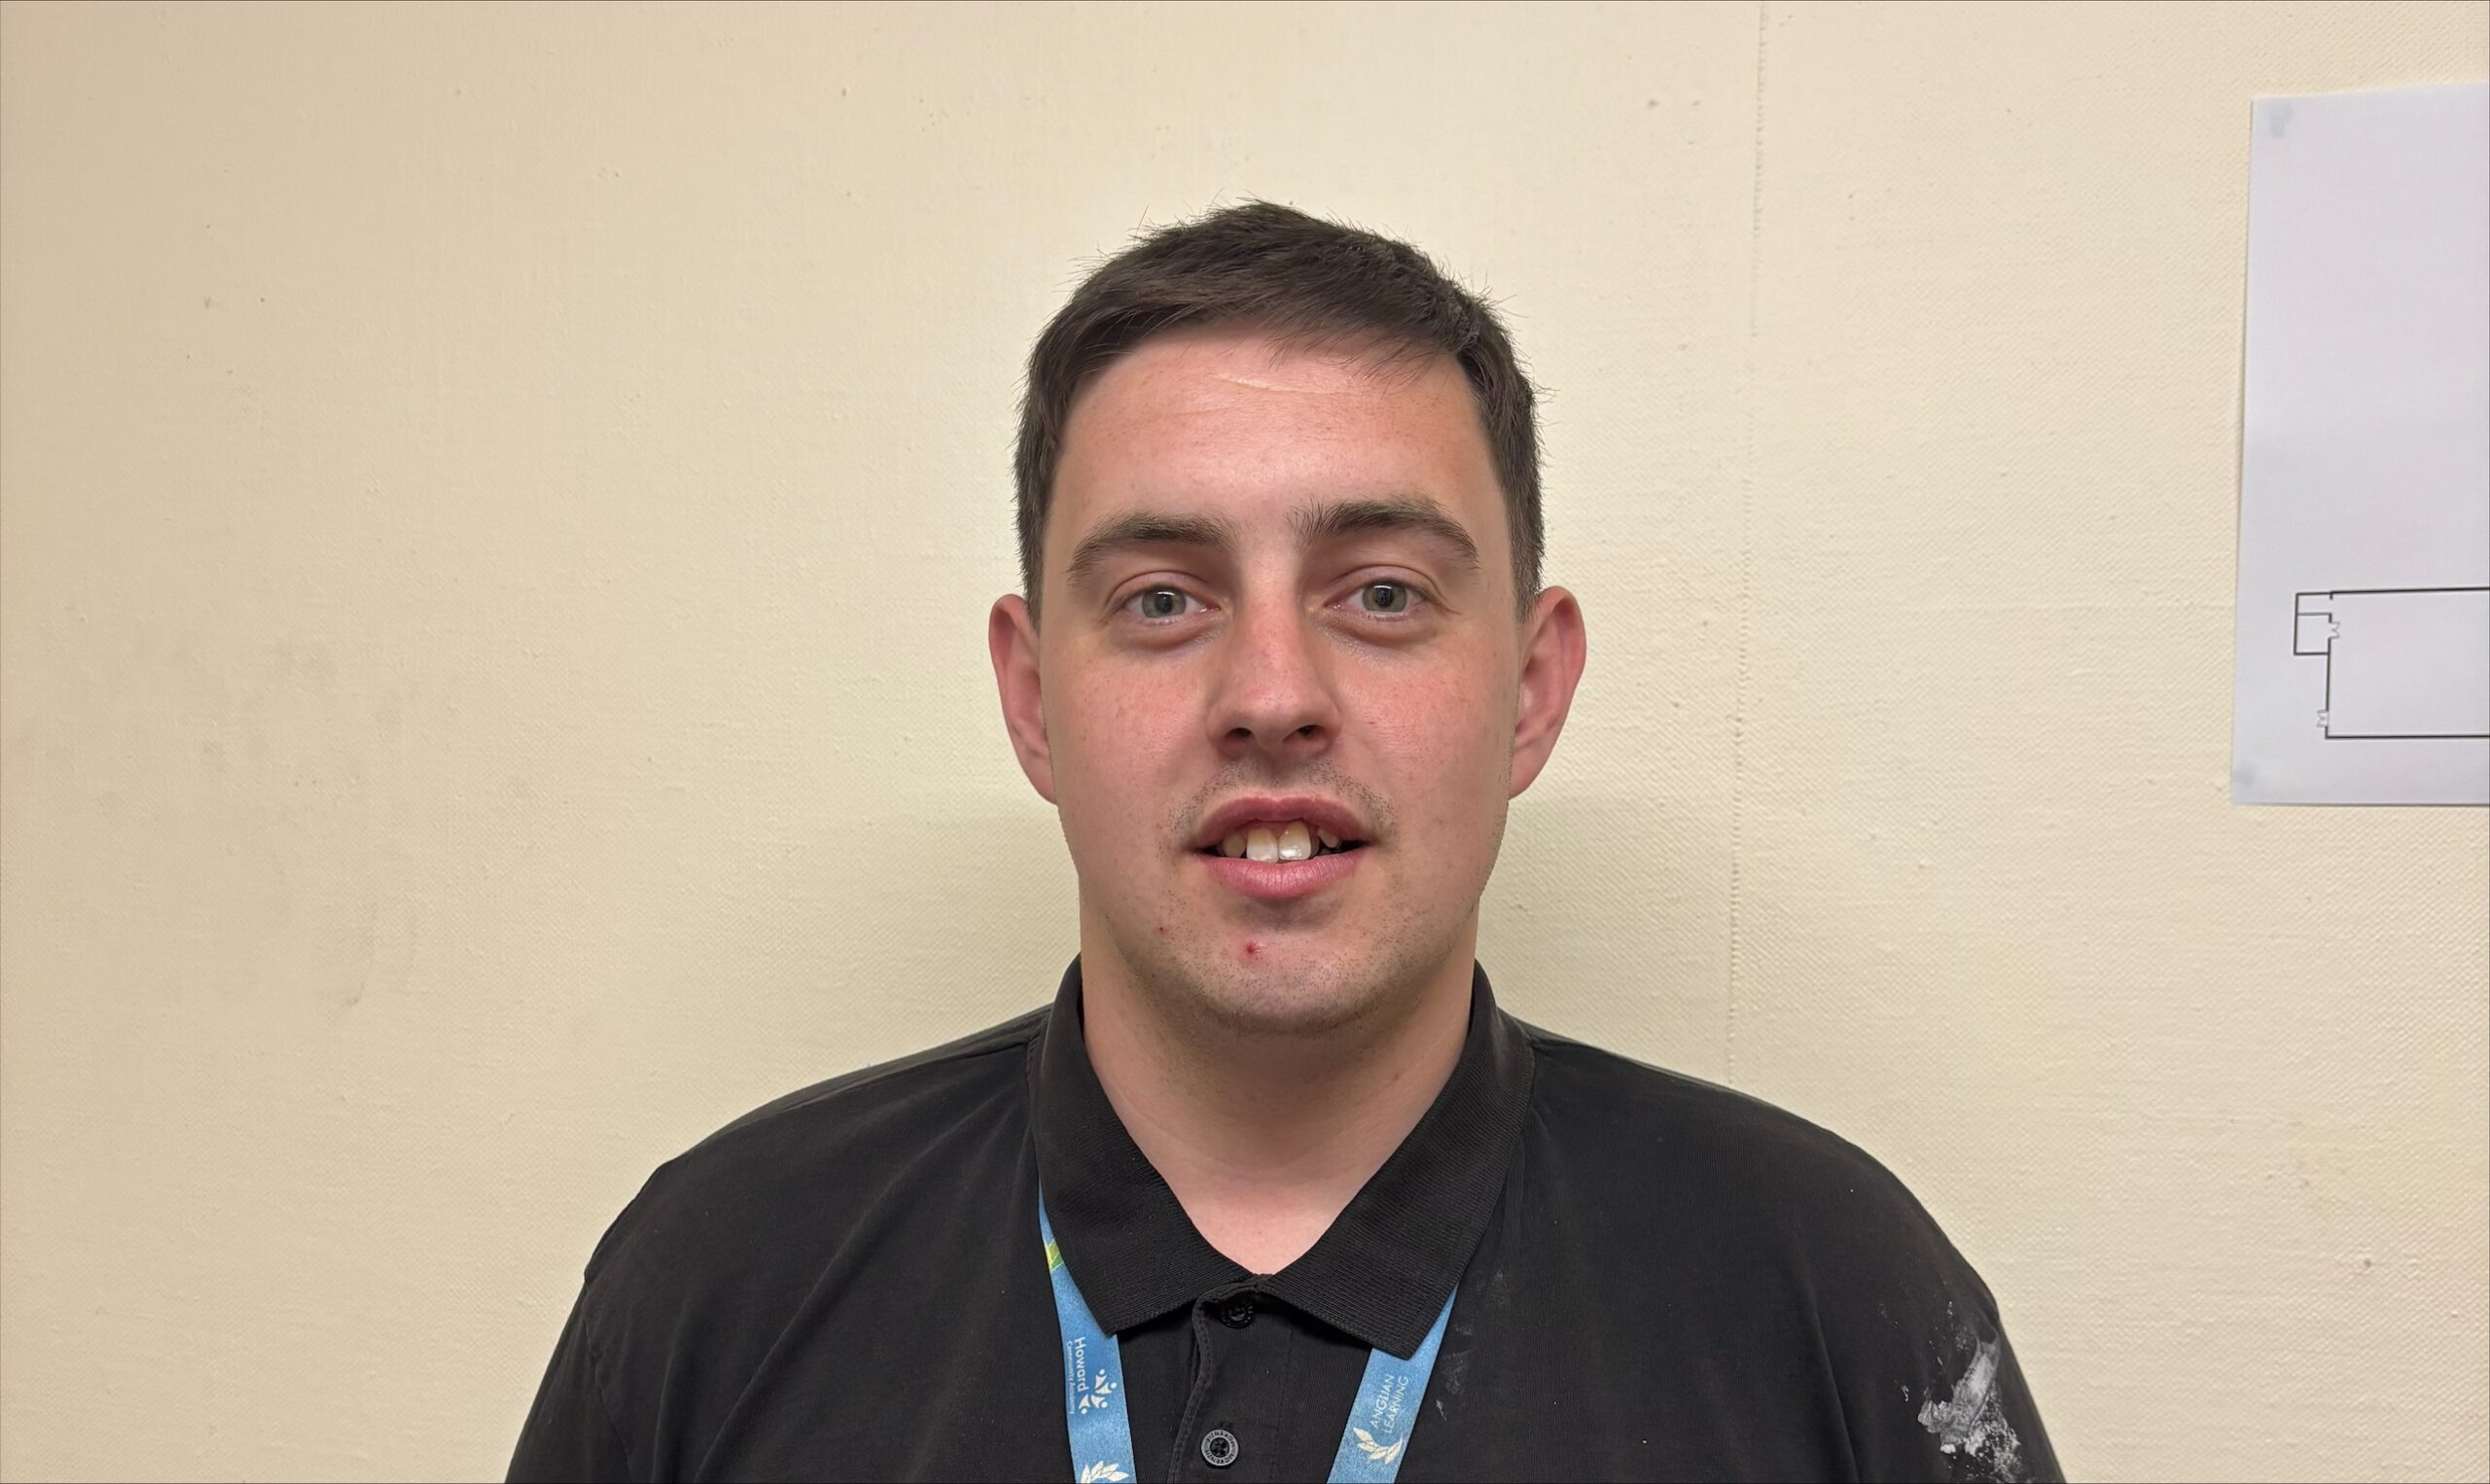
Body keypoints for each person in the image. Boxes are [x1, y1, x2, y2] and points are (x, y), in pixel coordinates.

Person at [508, 201, 2060, 1484]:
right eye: (1165, 598)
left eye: (1380, 592)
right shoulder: (721, 1278)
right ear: (1034, 698)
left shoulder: (1834, 1299)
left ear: (1529, 690)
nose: (1270, 696)